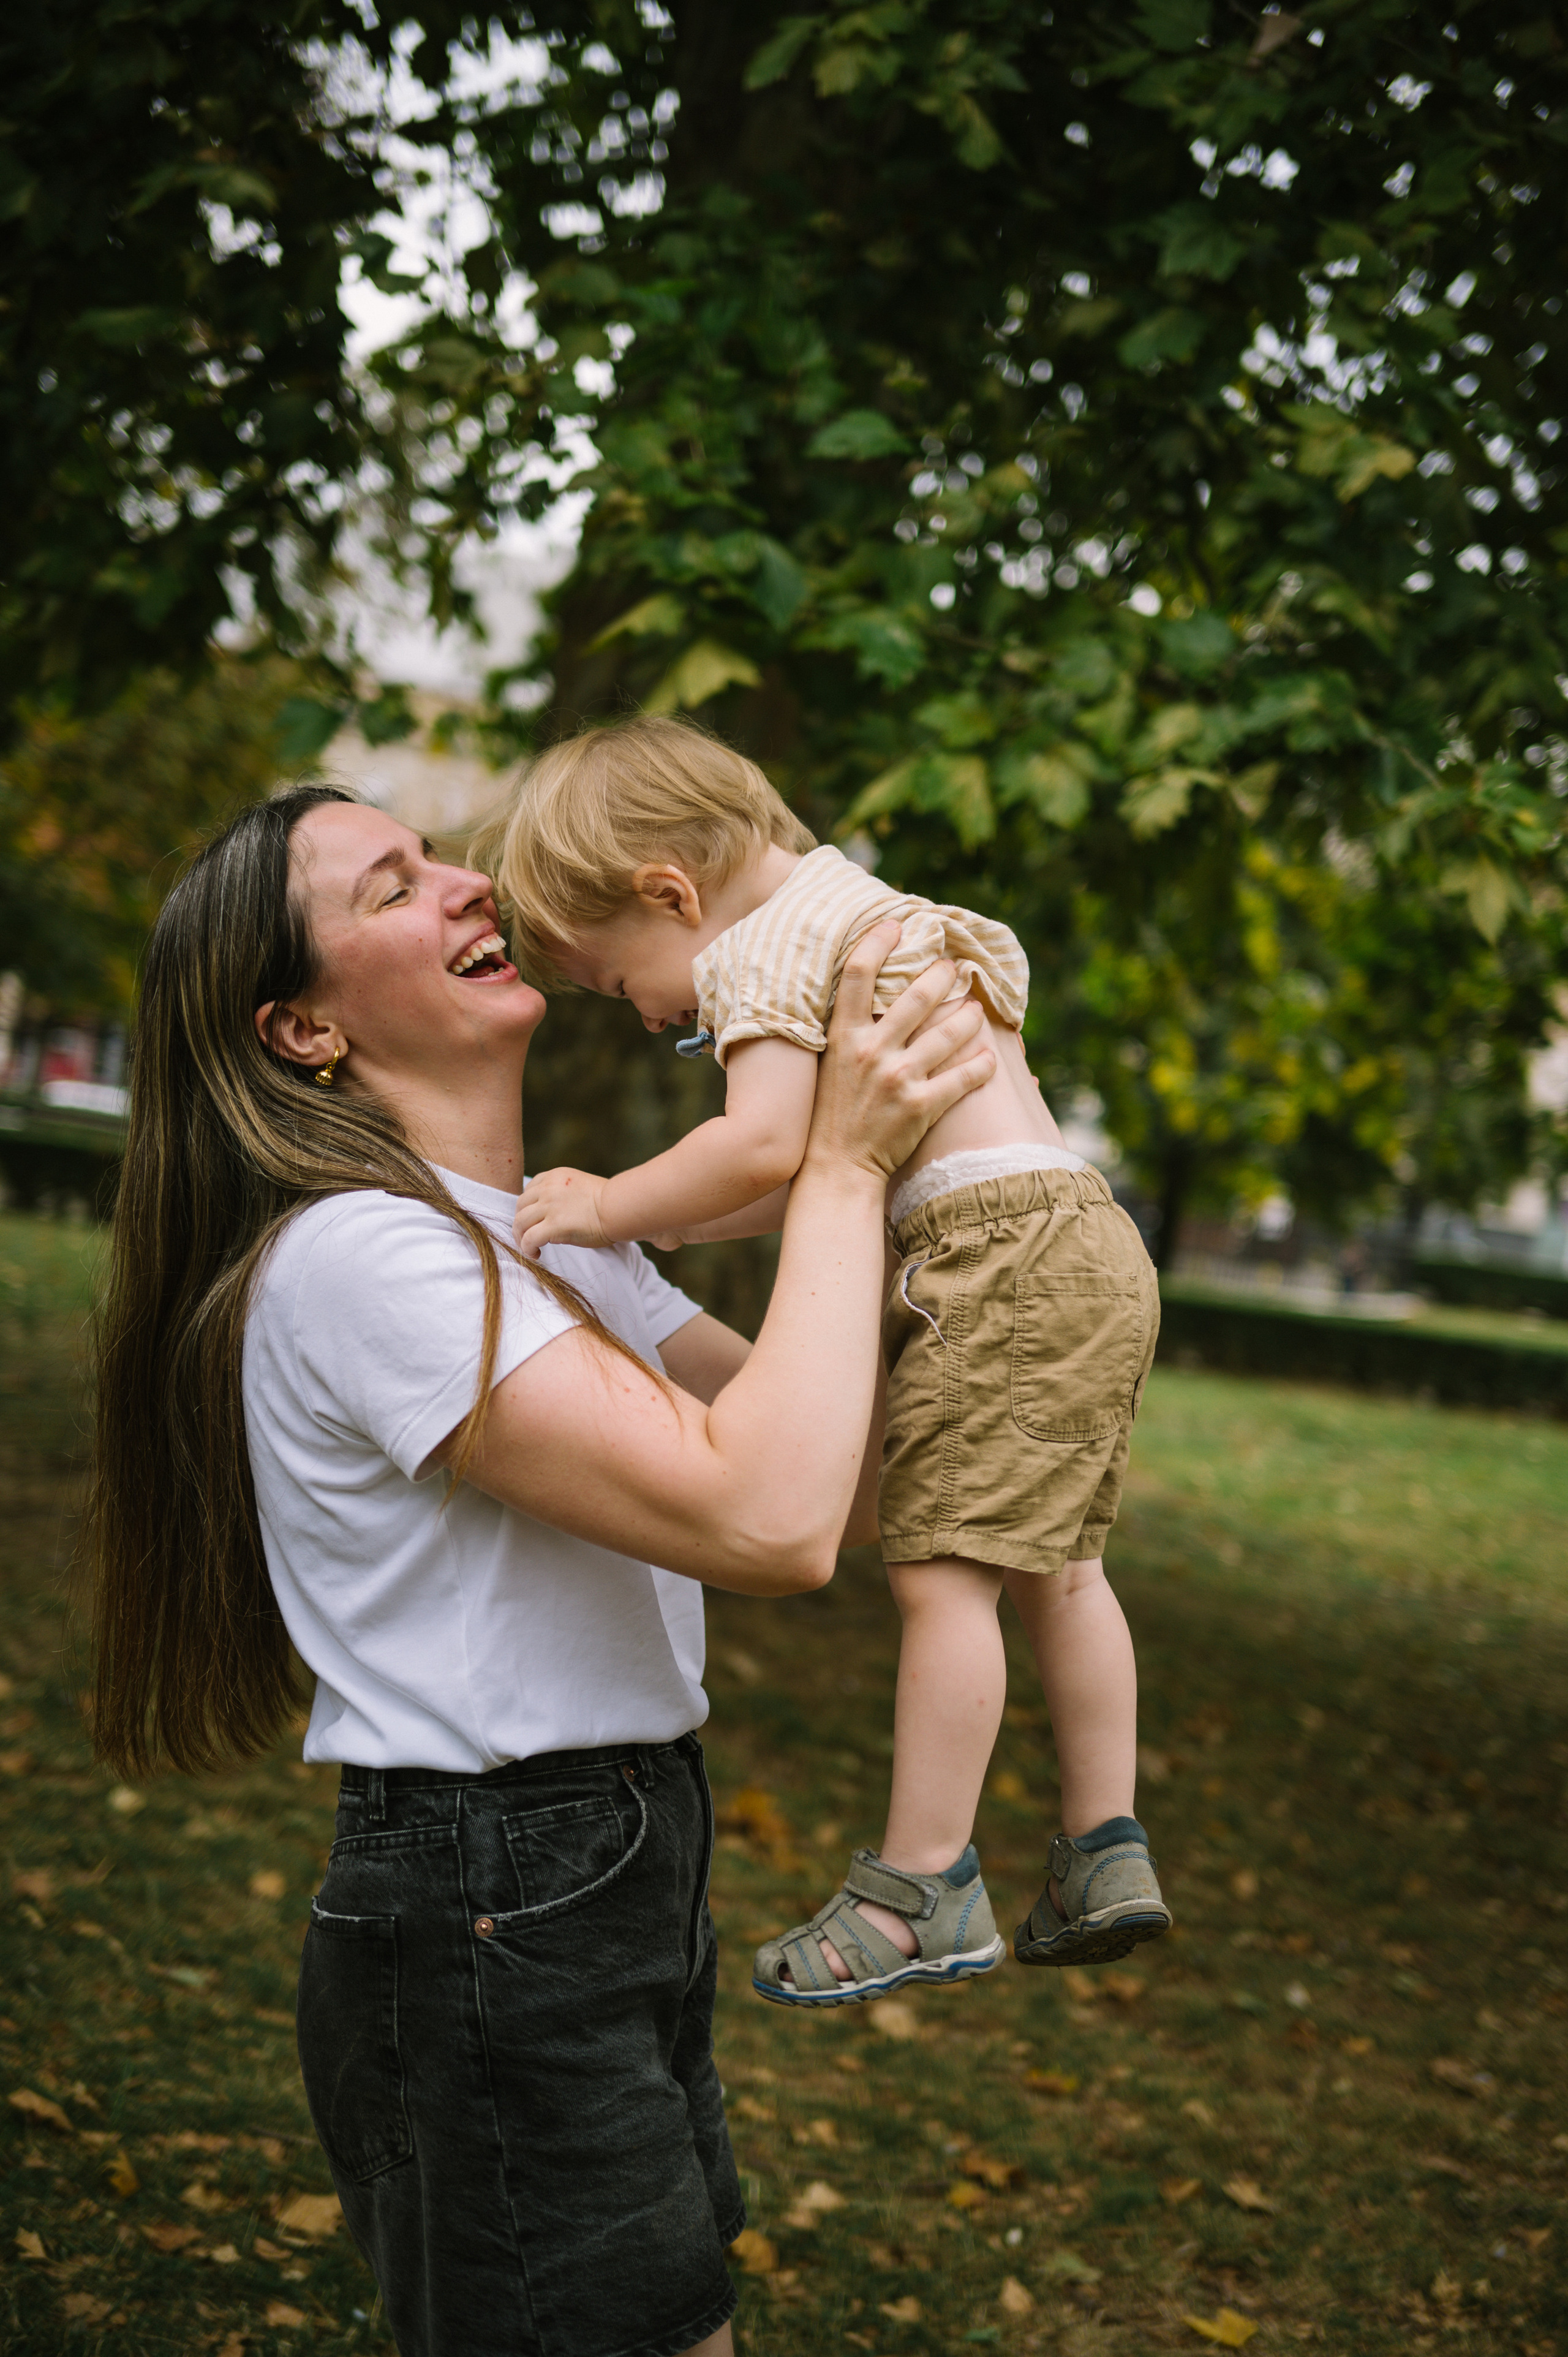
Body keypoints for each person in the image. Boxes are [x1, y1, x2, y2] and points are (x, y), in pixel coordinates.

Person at [87, 782, 993, 2357]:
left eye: (439, 856)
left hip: (617, 1857)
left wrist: (1007, 1219)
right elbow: (765, 1524)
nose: (465, 886)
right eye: (390, 890)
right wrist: (835, 1169)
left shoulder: (550, 1239)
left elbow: (841, 1476)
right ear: (300, 1030)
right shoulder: (366, 1260)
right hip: (493, 1893)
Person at [483, 716, 1170, 2010]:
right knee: (1061, 1568)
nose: (644, 1016)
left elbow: (754, 1149)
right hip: (1082, 1238)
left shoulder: (756, 953)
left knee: (940, 1578)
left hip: (989, 1255)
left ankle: (924, 1885)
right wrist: (680, 1216)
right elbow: (809, 1158)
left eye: (615, 980)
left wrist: (611, 1202)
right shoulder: (862, 908)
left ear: (668, 894)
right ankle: (1102, 1843)